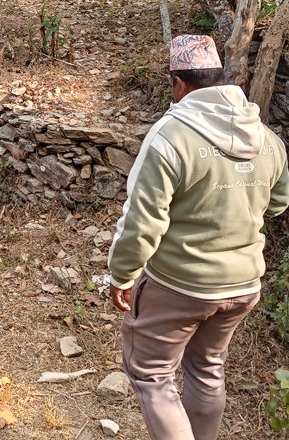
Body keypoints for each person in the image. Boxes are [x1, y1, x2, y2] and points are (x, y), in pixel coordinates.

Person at [108, 34, 289, 440]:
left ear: (178, 82)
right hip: (243, 285)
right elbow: (278, 203)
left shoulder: (171, 136)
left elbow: (143, 221)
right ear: (221, 78)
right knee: (207, 368)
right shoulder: (265, 137)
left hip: (180, 284)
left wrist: (121, 275)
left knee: (153, 375)